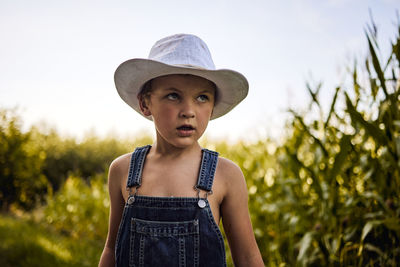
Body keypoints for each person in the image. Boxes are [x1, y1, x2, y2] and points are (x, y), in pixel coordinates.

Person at [99, 33, 264, 267]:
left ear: (213, 106)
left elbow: (248, 257)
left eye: (202, 97)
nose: (189, 110)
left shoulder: (226, 175)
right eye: (173, 95)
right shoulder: (122, 170)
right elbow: (111, 249)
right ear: (145, 103)